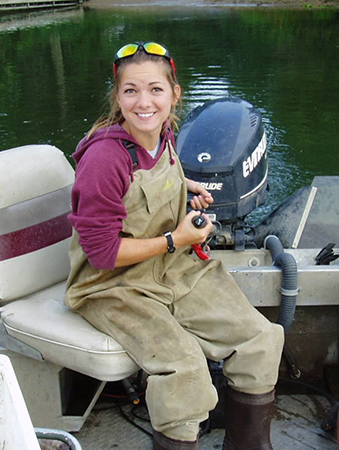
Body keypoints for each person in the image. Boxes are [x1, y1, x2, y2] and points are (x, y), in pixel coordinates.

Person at [64, 41, 284, 450]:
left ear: (174, 95)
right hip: (112, 286)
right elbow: (102, 254)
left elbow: (148, 182)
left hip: (171, 267)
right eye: (130, 91)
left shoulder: (162, 137)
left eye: (155, 90)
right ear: (117, 96)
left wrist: (184, 186)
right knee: (186, 372)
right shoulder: (104, 160)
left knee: (262, 341)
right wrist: (175, 238)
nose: (143, 102)